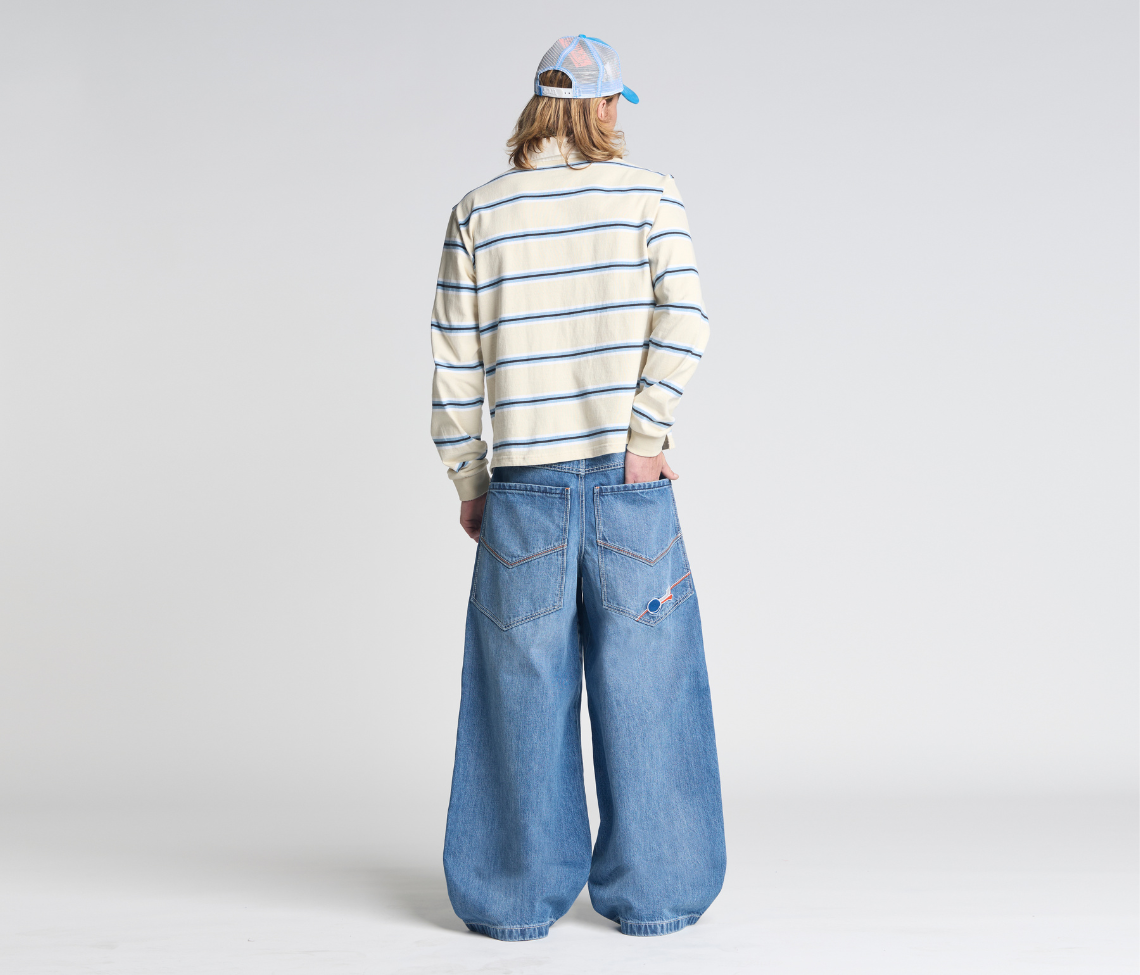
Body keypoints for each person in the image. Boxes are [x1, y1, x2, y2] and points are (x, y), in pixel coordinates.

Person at [429, 35, 725, 941]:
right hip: (628, 486)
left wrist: (470, 477)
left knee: (518, 693)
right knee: (649, 687)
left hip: (523, 488)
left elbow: (454, 366)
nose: (617, 117)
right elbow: (688, 318)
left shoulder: (478, 212)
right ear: (599, 107)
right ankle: (660, 894)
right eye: (613, 104)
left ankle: (511, 899)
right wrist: (644, 438)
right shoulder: (650, 196)